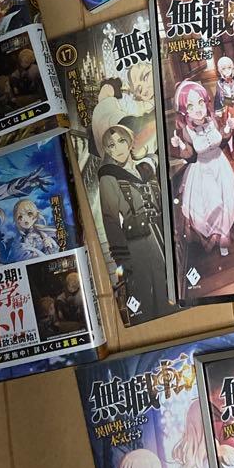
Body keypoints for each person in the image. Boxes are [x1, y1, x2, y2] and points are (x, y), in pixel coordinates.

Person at [97, 123, 171, 320]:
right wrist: (122, 257)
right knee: (146, 294)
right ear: (107, 151)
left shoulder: (145, 168)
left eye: (121, 141)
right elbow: (110, 219)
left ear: (130, 142)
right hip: (139, 241)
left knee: (168, 286)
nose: (117, 148)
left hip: (161, 233)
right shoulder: (108, 177)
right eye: (111, 145)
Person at [170, 80, 234, 257]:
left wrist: (228, 127)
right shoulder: (187, 131)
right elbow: (190, 156)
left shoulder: (212, 121)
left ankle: (223, 239)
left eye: (200, 102)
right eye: (191, 106)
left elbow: (222, 140)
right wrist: (180, 145)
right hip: (202, 170)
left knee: (226, 202)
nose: (198, 109)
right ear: (184, 110)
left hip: (220, 165)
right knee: (211, 205)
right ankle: (214, 236)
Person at [214, 55, 234, 155]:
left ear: (232, 68)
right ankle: (232, 150)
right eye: (224, 69)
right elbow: (218, 97)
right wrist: (219, 110)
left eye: (229, 68)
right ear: (220, 71)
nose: (227, 71)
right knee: (229, 130)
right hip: (227, 108)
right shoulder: (220, 84)